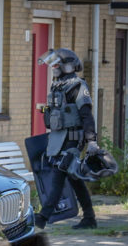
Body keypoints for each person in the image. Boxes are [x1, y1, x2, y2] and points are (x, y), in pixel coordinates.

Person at [35, 48, 99, 230]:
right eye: (52, 64)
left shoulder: (78, 86)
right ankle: (90, 218)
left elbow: (87, 116)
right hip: (59, 138)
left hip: (73, 139)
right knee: (74, 178)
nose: (53, 68)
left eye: (56, 64)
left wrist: (91, 141)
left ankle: (42, 218)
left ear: (68, 66)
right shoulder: (57, 85)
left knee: (59, 173)